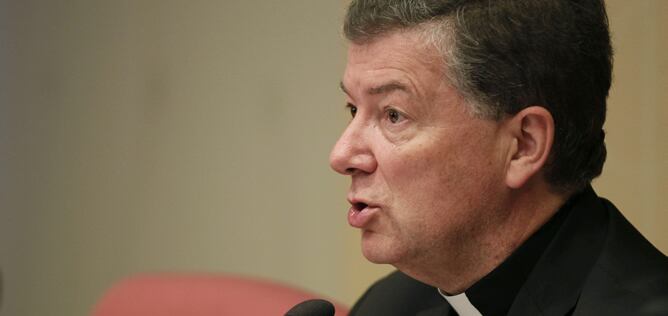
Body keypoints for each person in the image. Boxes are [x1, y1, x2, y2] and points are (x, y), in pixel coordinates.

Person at [329, 0, 668, 315]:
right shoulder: (391, 305)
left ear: (523, 145)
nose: (341, 155)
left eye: (393, 115)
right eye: (353, 108)